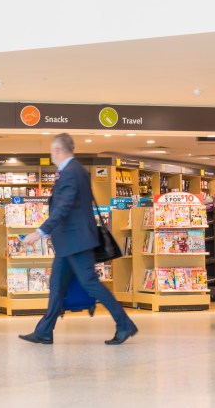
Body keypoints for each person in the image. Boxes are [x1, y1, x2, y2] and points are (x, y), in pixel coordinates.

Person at [19, 133, 138, 345]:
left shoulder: (71, 172)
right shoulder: (74, 171)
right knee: (57, 285)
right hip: (70, 242)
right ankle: (45, 331)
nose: (51, 155)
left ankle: (124, 324)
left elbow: (63, 207)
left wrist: (40, 231)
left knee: (91, 284)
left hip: (76, 241)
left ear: (57, 150)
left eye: (51, 151)